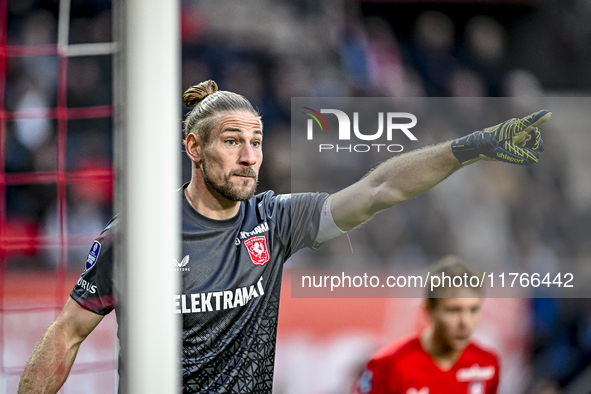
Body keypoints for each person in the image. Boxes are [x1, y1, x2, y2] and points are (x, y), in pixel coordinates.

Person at [18, 80, 548, 393]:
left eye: (256, 141)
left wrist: (468, 147)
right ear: (194, 148)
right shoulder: (138, 236)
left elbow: (381, 187)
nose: (250, 157)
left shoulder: (275, 221)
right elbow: (67, 334)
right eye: (232, 142)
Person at [353, 256, 499, 394]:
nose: (465, 322)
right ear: (429, 310)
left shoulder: (487, 363)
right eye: (453, 310)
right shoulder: (386, 365)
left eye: (473, 310)